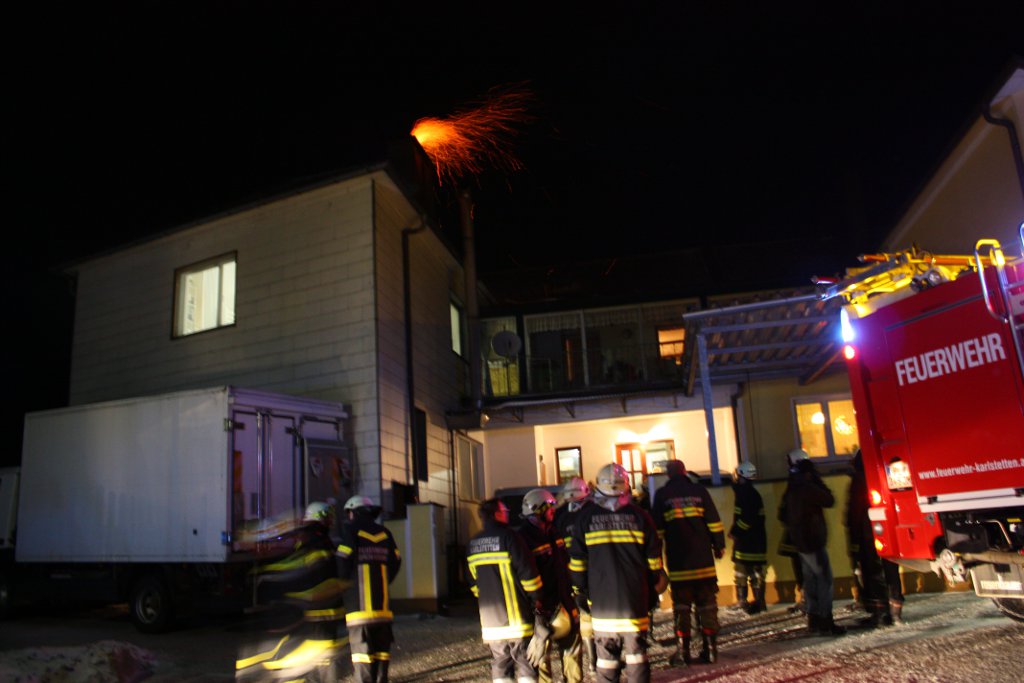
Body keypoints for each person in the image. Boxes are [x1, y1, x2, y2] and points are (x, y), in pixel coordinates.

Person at [570, 463, 664, 683]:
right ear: (626, 486)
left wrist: (580, 591)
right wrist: (650, 589)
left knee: (606, 659)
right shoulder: (640, 516)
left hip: (602, 603)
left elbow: (577, 562)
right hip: (634, 600)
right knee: (637, 656)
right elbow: (654, 559)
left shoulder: (585, 518)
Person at [237, 501, 347, 683]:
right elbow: (319, 571)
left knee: (315, 653)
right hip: (322, 610)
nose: (331, 520)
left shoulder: (310, 538)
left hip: (314, 609)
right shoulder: (318, 539)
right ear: (321, 518)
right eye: (328, 516)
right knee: (323, 654)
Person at [652, 460, 725, 667]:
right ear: (684, 472)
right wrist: (718, 545)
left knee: (682, 608)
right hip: (704, 563)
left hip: (679, 564)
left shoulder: (662, 496)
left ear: (668, 475)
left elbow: (656, 532)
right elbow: (714, 521)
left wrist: (656, 560)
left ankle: (683, 653)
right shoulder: (699, 491)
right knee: (707, 606)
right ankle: (710, 651)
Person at [468, 497, 545, 683]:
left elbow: (474, 585)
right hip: (518, 620)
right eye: (505, 511)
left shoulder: (473, 544)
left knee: (500, 668)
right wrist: (537, 599)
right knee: (526, 665)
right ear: (496, 514)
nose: (508, 514)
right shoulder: (510, 537)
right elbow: (529, 575)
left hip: (492, 624)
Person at [518, 488, 583, 683]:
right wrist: (537, 612)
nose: (554, 511)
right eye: (550, 507)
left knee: (572, 649)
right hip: (542, 608)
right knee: (542, 658)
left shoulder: (554, 531)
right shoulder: (524, 539)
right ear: (538, 509)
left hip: (564, 600)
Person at [336, 495, 402, 682]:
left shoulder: (351, 532)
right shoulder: (385, 533)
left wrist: (345, 586)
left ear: (354, 512)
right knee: (382, 652)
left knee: (362, 653)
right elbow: (396, 561)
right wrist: (384, 581)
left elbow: (342, 560)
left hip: (358, 608)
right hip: (382, 607)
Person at [780, 456, 846, 636]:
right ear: (809, 474)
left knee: (810, 582)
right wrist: (818, 482)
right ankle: (825, 622)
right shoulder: (808, 488)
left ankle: (814, 621)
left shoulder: (792, 488)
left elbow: (783, 515)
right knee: (824, 581)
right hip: (813, 541)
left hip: (800, 543)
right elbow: (829, 500)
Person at [554, 477, 597, 676]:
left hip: (568, 576)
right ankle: (595, 662)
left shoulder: (559, 516)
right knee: (590, 617)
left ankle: (590, 663)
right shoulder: (593, 513)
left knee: (580, 618)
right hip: (592, 573)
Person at [729, 461, 767, 615]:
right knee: (751, 573)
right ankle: (758, 602)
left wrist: (735, 532)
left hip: (747, 541)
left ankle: (748, 602)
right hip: (755, 541)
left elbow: (747, 519)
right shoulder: (749, 492)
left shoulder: (746, 495)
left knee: (744, 572)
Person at [778, 449, 808, 614]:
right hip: (797, 531)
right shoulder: (800, 480)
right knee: (799, 565)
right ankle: (804, 598)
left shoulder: (799, 482)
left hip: (800, 532)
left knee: (803, 566)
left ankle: (806, 599)